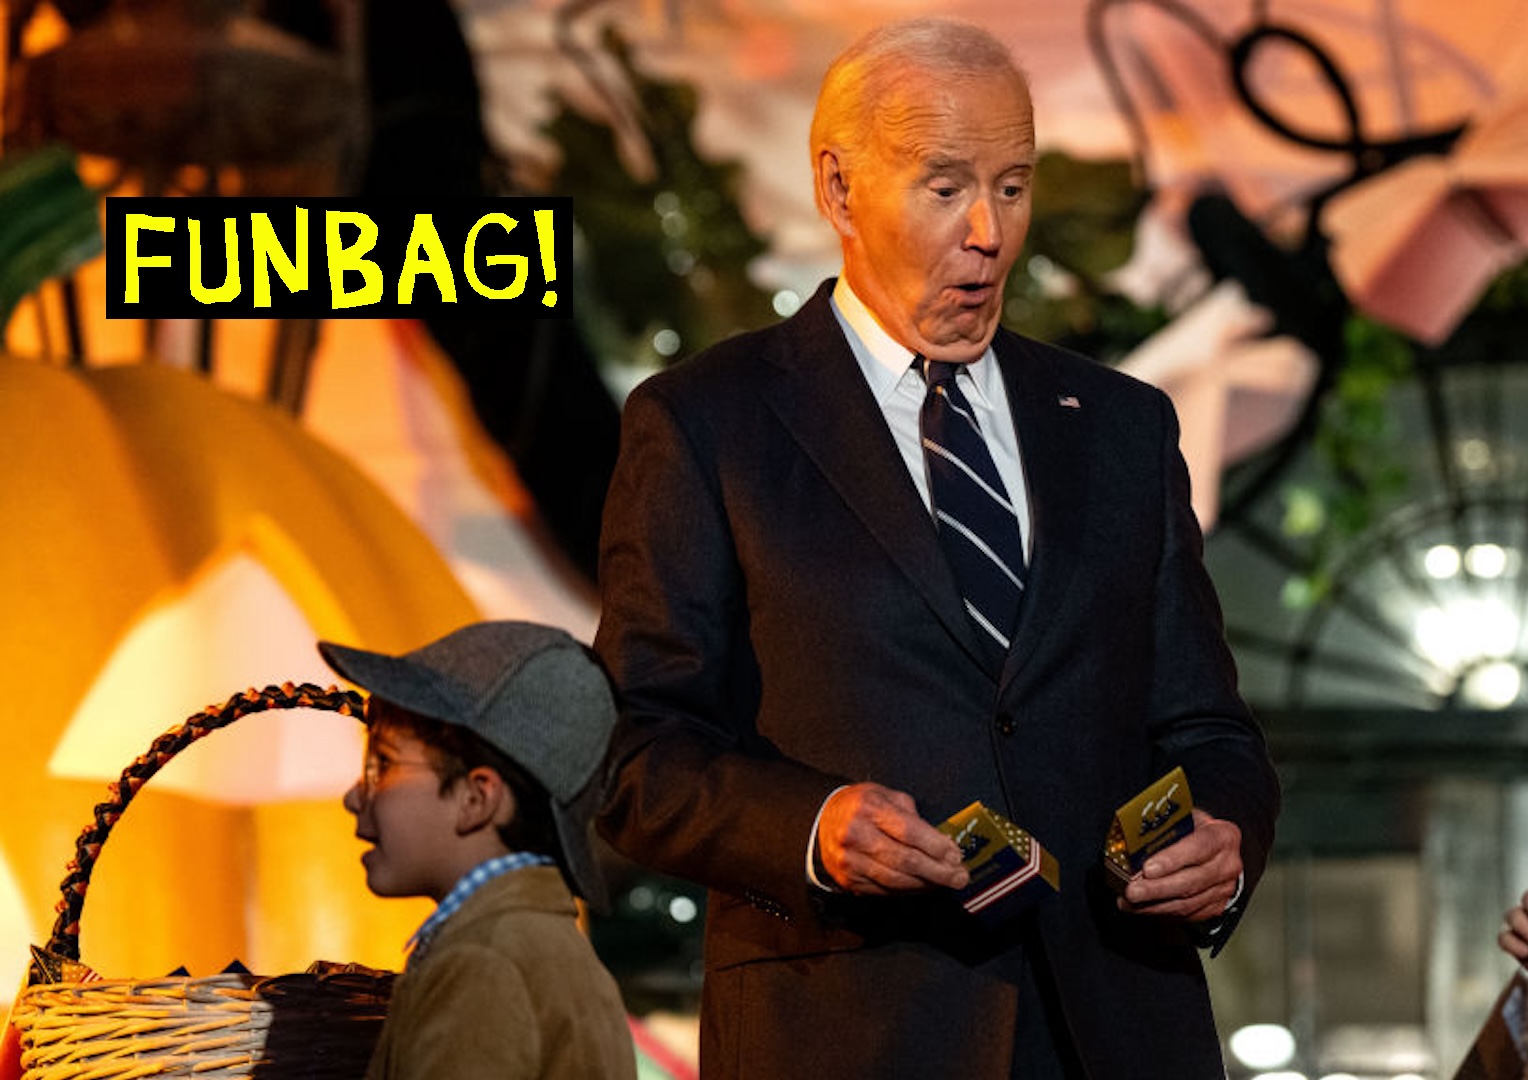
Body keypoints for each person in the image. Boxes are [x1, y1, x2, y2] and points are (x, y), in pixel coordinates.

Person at [592, 16, 1281, 1079]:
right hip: (850, 1036)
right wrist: (811, 826)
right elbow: (638, 753)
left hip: (1115, 1030)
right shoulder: (705, 423)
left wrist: (1223, 839)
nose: (992, 232)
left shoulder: (1120, 426)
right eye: (947, 185)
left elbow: (1208, 730)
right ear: (837, 189)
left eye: (1013, 185)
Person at [321, 620, 638, 1080]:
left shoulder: (481, 963)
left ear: (476, 798)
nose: (355, 796)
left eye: (383, 763)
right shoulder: (546, 945)